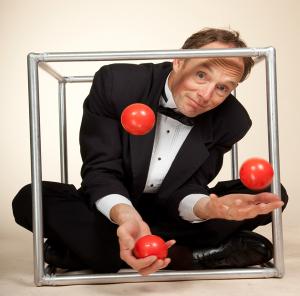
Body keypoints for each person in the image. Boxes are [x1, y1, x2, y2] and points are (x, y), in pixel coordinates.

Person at [12, 28, 288, 276]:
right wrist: (127, 217)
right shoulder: (117, 84)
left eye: (222, 88)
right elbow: (101, 171)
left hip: (171, 211)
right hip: (113, 208)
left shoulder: (232, 120)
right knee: (31, 198)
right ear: (178, 61)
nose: (205, 95)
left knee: (272, 192)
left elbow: (189, 186)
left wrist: (210, 208)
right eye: (201, 74)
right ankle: (190, 254)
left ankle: (95, 254)